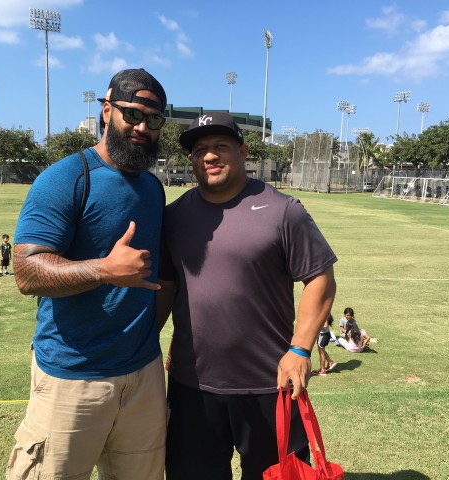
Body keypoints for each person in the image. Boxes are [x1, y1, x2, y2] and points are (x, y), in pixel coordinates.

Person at [6, 68, 168, 480]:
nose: (142, 128)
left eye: (154, 120)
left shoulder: (153, 187)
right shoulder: (65, 178)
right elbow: (25, 271)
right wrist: (104, 270)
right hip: (72, 377)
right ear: (106, 110)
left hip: (143, 377)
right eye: (132, 115)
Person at [157, 112, 337, 480]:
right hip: (193, 385)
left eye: (221, 146)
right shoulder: (173, 217)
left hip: (270, 383)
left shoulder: (283, 211)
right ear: (191, 160)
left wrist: (301, 350)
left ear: (243, 150)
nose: (209, 156)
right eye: (200, 150)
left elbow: (320, 279)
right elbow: (165, 289)